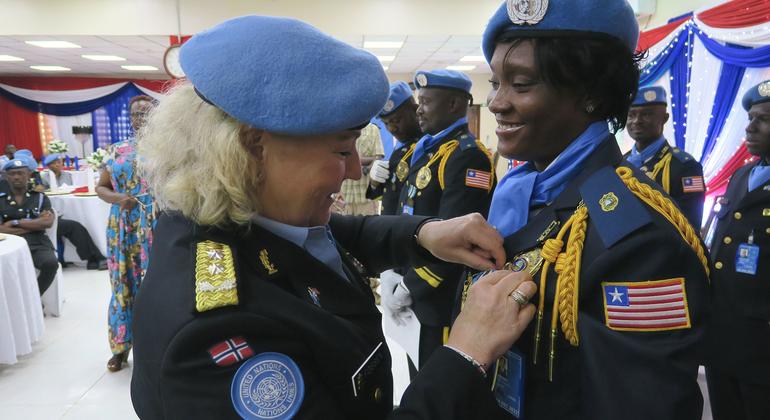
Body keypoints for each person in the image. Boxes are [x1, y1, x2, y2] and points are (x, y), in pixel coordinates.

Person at [129, 15, 537, 420]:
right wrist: (466, 353)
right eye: (342, 151)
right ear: (253, 148)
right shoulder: (218, 328)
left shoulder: (228, 219)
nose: (357, 171)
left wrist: (424, 234)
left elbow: (338, 234)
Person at [480, 1, 710, 419]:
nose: (497, 102)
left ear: (591, 95)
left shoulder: (633, 233)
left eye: (522, 84)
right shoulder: (523, 191)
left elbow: (636, 404)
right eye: (496, 82)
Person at [382, 69, 495, 376]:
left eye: (427, 101)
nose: (418, 108)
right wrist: (392, 270)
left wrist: (410, 285)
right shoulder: (428, 151)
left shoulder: (467, 157)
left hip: (439, 296)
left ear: (454, 105)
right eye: (419, 101)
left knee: (439, 387)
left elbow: (459, 241)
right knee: (419, 378)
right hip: (415, 296)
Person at [705, 80, 770, 420]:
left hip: (763, 343)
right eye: (750, 117)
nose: (750, 126)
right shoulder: (742, 175)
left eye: (763, 119)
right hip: (725, 333)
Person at [95, 94, 155, 372]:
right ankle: (120, 348)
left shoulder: (168, 148)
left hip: (157, 221)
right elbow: (101, 188)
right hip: (123, 226)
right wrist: (120, 198)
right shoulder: (116, 150)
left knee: (156, 282)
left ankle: (158, 346)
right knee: (123, 283)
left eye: (145, 113)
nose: (140, 118)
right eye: (135, 114)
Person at [625, 86, 705, 228]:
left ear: (665, 118)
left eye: (647, 115)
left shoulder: (687, 167)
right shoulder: (621, 162)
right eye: (631, 115)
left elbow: (691, 223)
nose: (636, 121)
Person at [0, 158, 58, 295]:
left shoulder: (40, 198)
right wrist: (34, 224)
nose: (16, 177)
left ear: (28, 174)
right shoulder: (1, 200)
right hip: (8, 244)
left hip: (37, 242)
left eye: (20, 173)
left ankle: (34, 298)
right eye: (12, 174)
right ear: (6, 176)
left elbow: (47, 223)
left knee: (50, 263)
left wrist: (15, 223)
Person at [367, 81, 423, 216]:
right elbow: (388, 192)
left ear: (415, 110)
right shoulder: (401, 145)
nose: (392, 128)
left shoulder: (425, 146)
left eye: (396, 120)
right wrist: (374, 182)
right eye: (386, 123)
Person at [337, 123, 384, 215]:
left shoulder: (373, 129)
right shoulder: (342, 127)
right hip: (346, 196)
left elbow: (378, 158)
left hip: (366, 197)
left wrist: (365, 168)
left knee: (368, 228)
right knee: (346, 228)